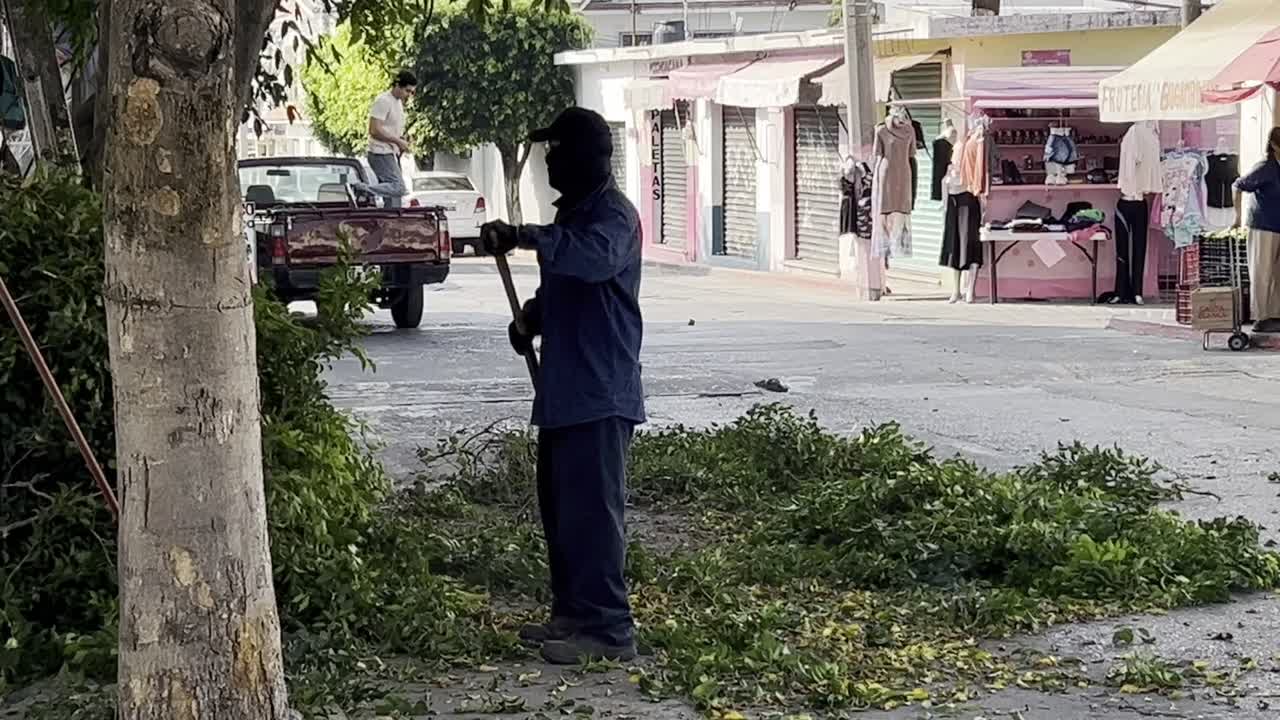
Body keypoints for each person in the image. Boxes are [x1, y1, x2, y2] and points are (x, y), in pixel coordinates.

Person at [480, 107, 644, 665]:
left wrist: (524, 235)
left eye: (557, 150)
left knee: (595, 516)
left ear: (587, 157)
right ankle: (573, 613)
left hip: (600, 393)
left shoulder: (613, 219)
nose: (549, 160)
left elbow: (592, 263)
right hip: (564, 391)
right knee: (562, 511)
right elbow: (567, 291)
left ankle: (610, 630)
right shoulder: (574, 216)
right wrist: (531, 318)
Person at [1234, 127, 1280, 334]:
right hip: (1263, 225)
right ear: (1274, 146)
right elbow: (1239, 185)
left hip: (1278, 225)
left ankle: (1275, 314)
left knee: (1277, 273)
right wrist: (1237, 217)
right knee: (1262, 272)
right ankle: (1260, 317)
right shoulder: (1266, 167)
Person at [352, 70, 416, 207]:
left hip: (391, 152)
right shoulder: (383, 101)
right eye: (407, 91)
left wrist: (401, 140)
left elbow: (390, 128)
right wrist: (397, 141)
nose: (409, 95)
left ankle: (390, 222)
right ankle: (362, 189)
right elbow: (374, 130)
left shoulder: (398, 103)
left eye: (412, 92)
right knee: (398, 188)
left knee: (393, 199)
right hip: (380, 152)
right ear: (398, 85)